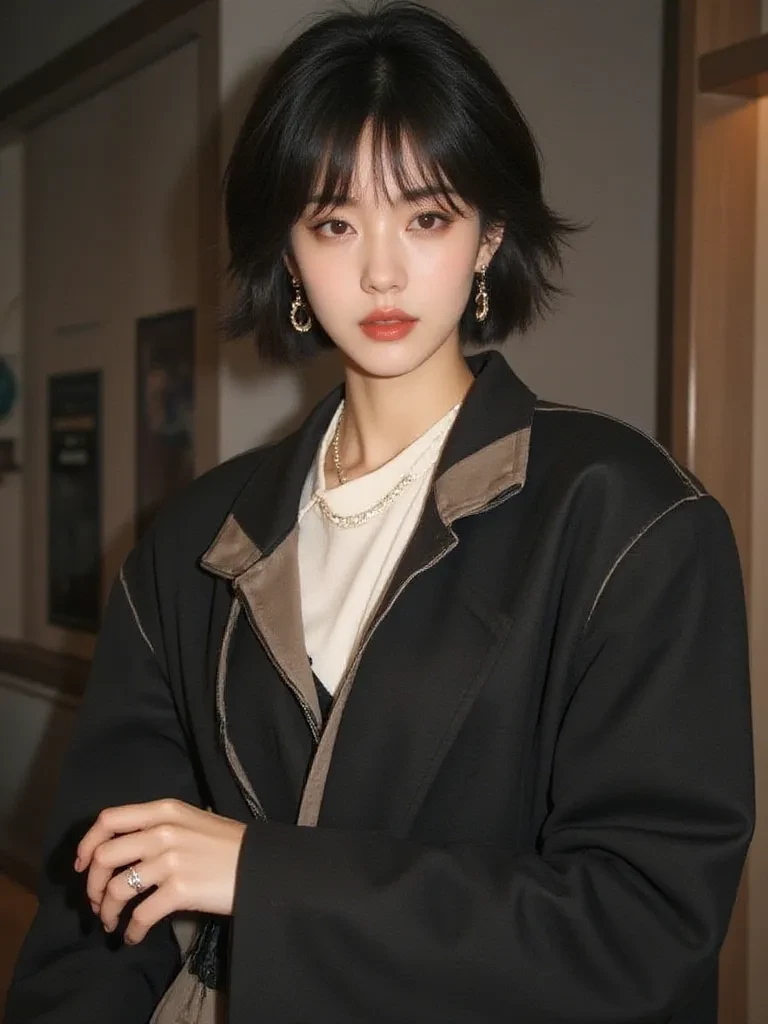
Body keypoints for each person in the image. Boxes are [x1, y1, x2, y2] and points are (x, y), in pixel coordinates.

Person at [5, 2, 754, 1022]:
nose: (382, 271)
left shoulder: (627, 518)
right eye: (335, 223)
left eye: (427, 217)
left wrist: (265, 876)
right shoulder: (192, 546)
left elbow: (643, 927)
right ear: (289, 251)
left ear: (490, 235)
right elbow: (97, 911)